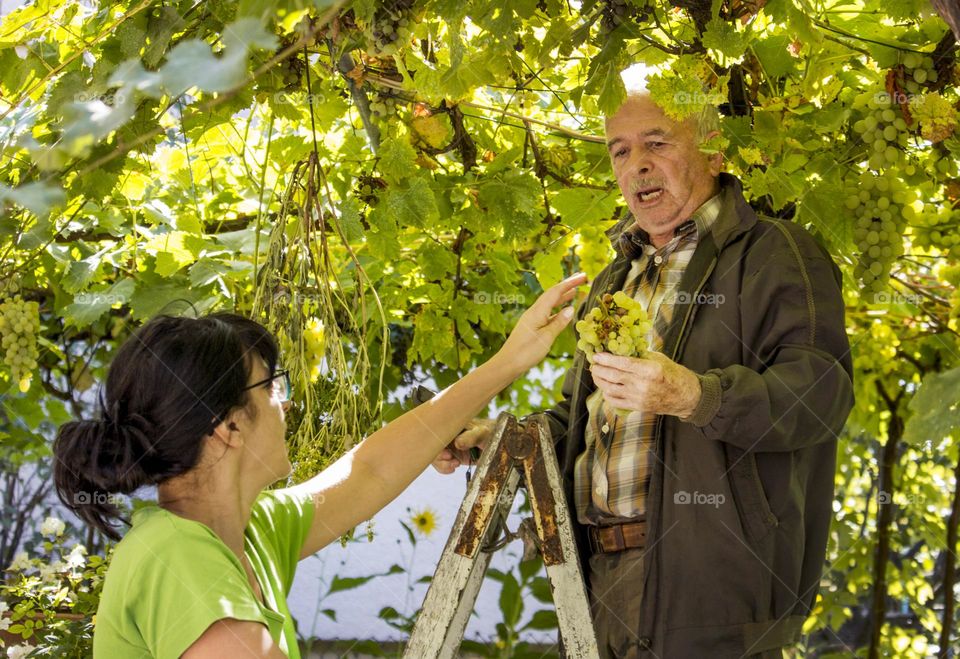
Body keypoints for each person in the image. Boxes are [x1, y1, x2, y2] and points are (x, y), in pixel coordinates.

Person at [434, 93, 854, 658]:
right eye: (620, 151)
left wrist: (698, 397)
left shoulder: (774, 252)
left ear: (713, 151)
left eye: (657, 143)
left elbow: (821, 395)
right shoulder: (614, 278)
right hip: (593, 581)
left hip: (711, 591)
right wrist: (501, 442)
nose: (637, 165)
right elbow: (583, 419)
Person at [51, 272, 586, 658]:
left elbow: (368, 472)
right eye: (270, 386)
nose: (285, 402)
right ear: (227, 427)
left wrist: (510, 361)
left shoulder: (246, 530)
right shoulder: (178, 554)